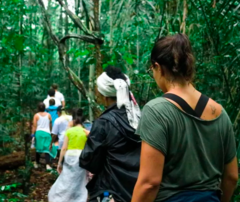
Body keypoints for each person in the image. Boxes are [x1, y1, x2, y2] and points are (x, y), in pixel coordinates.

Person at [132, 34, 238, 202]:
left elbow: (149, 183)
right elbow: (231, 176)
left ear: (158, 67)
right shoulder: (219, 112)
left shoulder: (156, 110)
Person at [80, 66, 141, 202]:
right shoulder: (139, 116)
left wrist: (92, 140)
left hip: (110, 192)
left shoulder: (103, 123)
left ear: (104, 95)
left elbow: (90, 162)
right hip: (138, 191)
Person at [48, 108, 89, 202]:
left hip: (69, 156)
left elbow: (64, 148)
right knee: (80, 180)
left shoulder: (69, 131)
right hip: (81, 157)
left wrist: (59, 163)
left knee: (66, 178)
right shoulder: (85, 132)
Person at [32, 102, 57, 170]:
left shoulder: (36, 115)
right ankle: (47, 165)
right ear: (45, 108)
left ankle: (37, 163)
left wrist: (33, 135)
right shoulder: (48, 115)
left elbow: (34, 126)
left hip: (39, 133)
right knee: (47, 150)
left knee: (38, 148)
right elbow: (50, 124)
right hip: (47, 133)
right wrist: (51, 131)